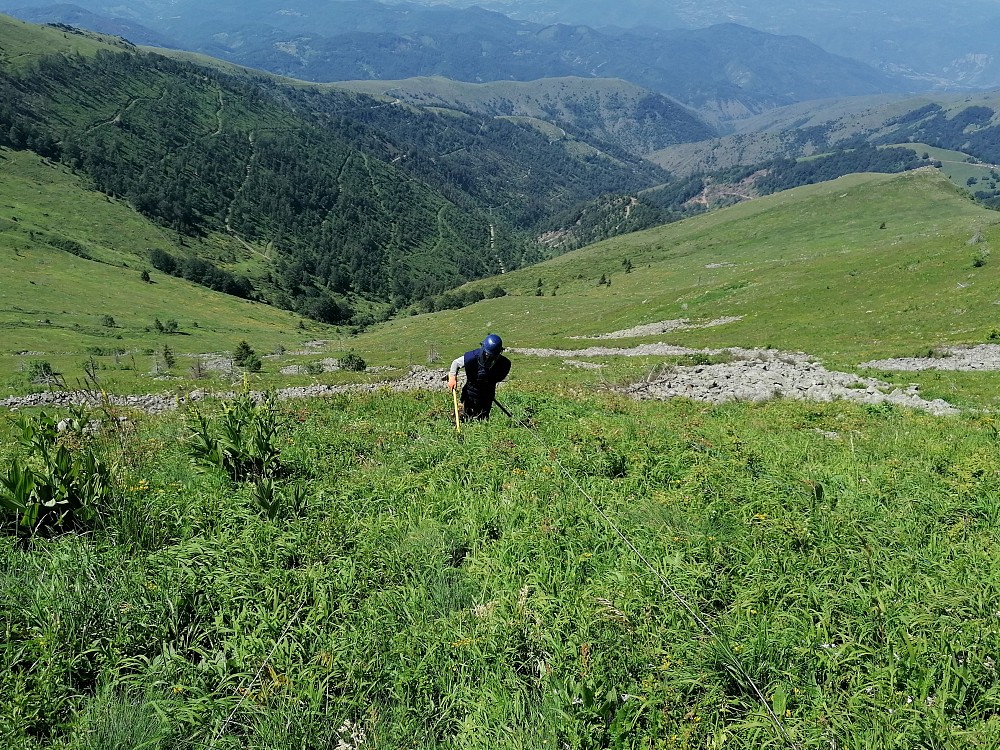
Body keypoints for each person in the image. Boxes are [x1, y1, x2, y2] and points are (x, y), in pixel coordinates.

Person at [448, 333, 511, 420]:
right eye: (487, 355)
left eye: (492, 356)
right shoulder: (472, 357)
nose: (489, 358)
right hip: (469, 394)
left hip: (487, 397)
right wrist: (452, 377)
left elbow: (498, 378)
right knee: (461, 417)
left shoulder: (504, 364)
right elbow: (456, 363)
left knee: (482, 419)